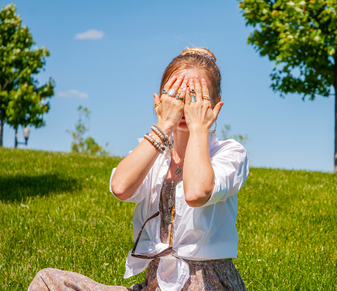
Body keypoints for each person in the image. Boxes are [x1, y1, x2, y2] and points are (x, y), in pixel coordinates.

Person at [28, 47, 249, 291]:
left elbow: (197, 193)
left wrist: (199, 128)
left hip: (207, 284)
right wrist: (164, 126)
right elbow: (120, 187)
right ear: (160, 101)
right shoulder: (154, 154)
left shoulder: (230, 153)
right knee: (49, 281)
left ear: (215, 106)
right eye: (176, 94)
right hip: (154, 285)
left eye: (196, 97)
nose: (185, 104)